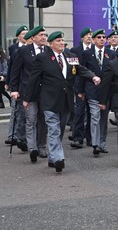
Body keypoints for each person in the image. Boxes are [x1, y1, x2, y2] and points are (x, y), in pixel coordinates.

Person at [23, 31, 101, 173]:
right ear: (50, 43)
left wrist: (93, 77)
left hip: (66, 100)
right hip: (49, 100)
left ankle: (53, 157)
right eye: (58, 40)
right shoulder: (43, 58)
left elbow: (80, 69)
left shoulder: (70, 56)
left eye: (62, 40)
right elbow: (33, 79)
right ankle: (59, 158)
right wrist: (27, 99)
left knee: (60, 129)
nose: (61, 43)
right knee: (53, 129)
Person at [10, 25, 49, 161]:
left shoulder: (49, 51)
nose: (44, 37)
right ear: (33, 37)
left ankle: (42, 146)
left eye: (45, 35)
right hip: (29, 92)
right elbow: (15, 71)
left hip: (45, 92)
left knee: (43, 120)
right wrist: (14, 89)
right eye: (41, 35)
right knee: (31, 120)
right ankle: (32, 148)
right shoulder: (23, 51)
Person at [80, 29, 117, 155]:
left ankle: (102, 142)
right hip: (92, 91)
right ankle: (95, 144)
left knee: (103, 118)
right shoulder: (87, 53)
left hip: (106, 91)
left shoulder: (111, 53)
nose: (102, 39)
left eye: (103, 37)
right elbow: (81, 72)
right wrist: (80, 90)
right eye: (99, 37)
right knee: (95, 117)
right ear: (94, 40)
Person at [70, 27, 93, 148]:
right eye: (87, 35)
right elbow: (75, 71)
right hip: (80, 85)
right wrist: (78, 90)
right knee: (79, 112)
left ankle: (90, 138)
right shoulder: (75, 50)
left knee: (91, 113)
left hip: (91, 85)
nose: (89, 36)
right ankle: (77, 137)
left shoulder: (94, 49)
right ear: (82, 38)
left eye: (90, 34)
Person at [5, 25, 28, 146]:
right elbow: (12, 68)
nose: (25, 35)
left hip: (26, 84)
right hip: (16, 83)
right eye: (23, 33)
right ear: (18, 36)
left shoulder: (30, 48)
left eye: (27, 33)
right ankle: (11, 135)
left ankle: (21, 136)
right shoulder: (13, 48)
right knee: (14, 110)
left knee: (22, 112)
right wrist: (8, 83)